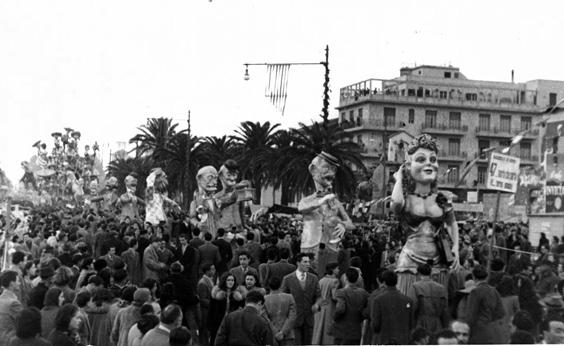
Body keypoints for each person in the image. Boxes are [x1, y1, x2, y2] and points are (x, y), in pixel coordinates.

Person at [390, 134, 460, 299]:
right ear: (409, 165)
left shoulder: (442, 199)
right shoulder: (406, 198)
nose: (429, 163)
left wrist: (456, 246)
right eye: (421, 159)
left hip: (438, 263)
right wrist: (399, 179)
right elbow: (395, 204)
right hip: (409, 263)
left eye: (433, 159)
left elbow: (452, 223)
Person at [297, 152, 355, 271]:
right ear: (313, 170)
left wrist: (343, 224)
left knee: (329, 278)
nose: (332, 174)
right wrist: (321, 201)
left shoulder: (335, 202)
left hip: (331, 248)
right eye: (326, 168)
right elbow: (302, 208)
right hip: (309, 246)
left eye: (334, 170)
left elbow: (351, 224)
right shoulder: (307, 200)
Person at [281, 253, 322, 345]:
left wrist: (317, 304)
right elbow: (283, 298)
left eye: (309, 262)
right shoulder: (288, 279)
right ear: (298, 263)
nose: (308, 264)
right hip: (294, 319)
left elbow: (319, 296)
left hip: (309, 319)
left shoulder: (314, 278)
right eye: (305, 262)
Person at [370, 270, 415, 345]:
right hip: (403, 340)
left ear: (384, 282)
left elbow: (375, 325)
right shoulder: (408, 300)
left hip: (384, 339)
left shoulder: (378, 300)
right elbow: (411, 323)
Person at [465, 265, 505, 344]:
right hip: (491, 329)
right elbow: (501, 312)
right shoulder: (494, 290)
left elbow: (471, 315)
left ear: (473, 277)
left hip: (477, 330)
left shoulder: (475, 292)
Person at [331, 267, 369, 345]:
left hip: (341, 329)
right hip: (356, 329)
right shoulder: (363, 293)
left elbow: (340, 309)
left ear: (346, 278)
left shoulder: (341, 292)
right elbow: (367, 309)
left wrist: (334, 317)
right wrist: (361, 317)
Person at [208, 272, 245, 346]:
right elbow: (211, 310)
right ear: (224, 281)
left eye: (232, 280)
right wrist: (209, 324)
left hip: (233, 322)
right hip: (218, 321)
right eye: (228, 280)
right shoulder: (216, 294)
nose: (231, 282)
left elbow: (242, 309)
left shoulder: (238, 295)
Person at [412, 263, 449, 334]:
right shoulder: (441, 288)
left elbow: (414, 306)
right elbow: (445, 310)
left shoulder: (415, 287)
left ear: (418, 273)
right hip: (437, 324)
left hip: (421, 323)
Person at [311, 262, 339, 345]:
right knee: (327, 329)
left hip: (320, 306)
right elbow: (334, 296)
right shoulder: (335, 281)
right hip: (329, 307)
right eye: (337, 268)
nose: (339, 270)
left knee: (318, 328)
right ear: (333, 270)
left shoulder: (321, 280)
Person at [264, 276, 296, 346]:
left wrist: (275, 332)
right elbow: (292, 317)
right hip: (288, 335)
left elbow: (265, 319)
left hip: (271, 336)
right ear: (280, 285)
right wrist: (283, 332)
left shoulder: (264, 299)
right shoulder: (290, 297)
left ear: (269, 286)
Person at [0, 271, 24, 346]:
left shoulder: (2, 298)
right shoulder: (13, 303)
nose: (19, 283)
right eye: (17, 281)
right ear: (12, 283)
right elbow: (24, 321)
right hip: (10, 340)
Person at [497, 276, 520, 343]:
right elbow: (518, 313)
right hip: (510, 325)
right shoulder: (515, 298)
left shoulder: (497, 297)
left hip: (498, 324)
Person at [197, 263, 216, 346]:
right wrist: (214, 303)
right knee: (204, 332)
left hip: (209, 310)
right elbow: (202, 299)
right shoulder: (202, 283)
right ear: (207, 271)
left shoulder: (210, 280)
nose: (214, 271)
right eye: (212, 269)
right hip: (205, 311)